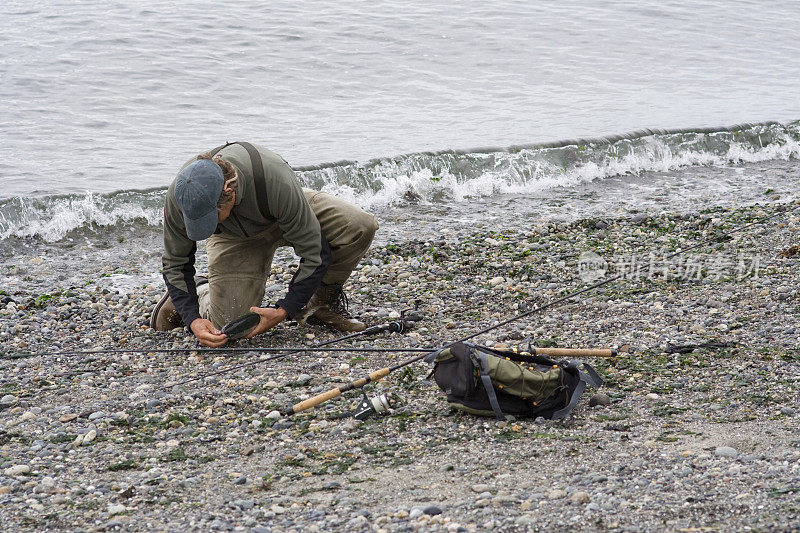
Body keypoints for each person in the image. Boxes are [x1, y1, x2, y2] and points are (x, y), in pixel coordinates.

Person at [150, 141, 378, 347]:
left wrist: (285, 308)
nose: (202, 228)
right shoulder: (183, 195)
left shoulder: (275, 179)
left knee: (358, 225)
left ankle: (318, 306)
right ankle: (201, 291)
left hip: (277, 207)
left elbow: (315, 251)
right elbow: (175, 263)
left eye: (207, 221)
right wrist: (192, 318)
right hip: (235, 238)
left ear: (229, 193)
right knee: (231, 327)